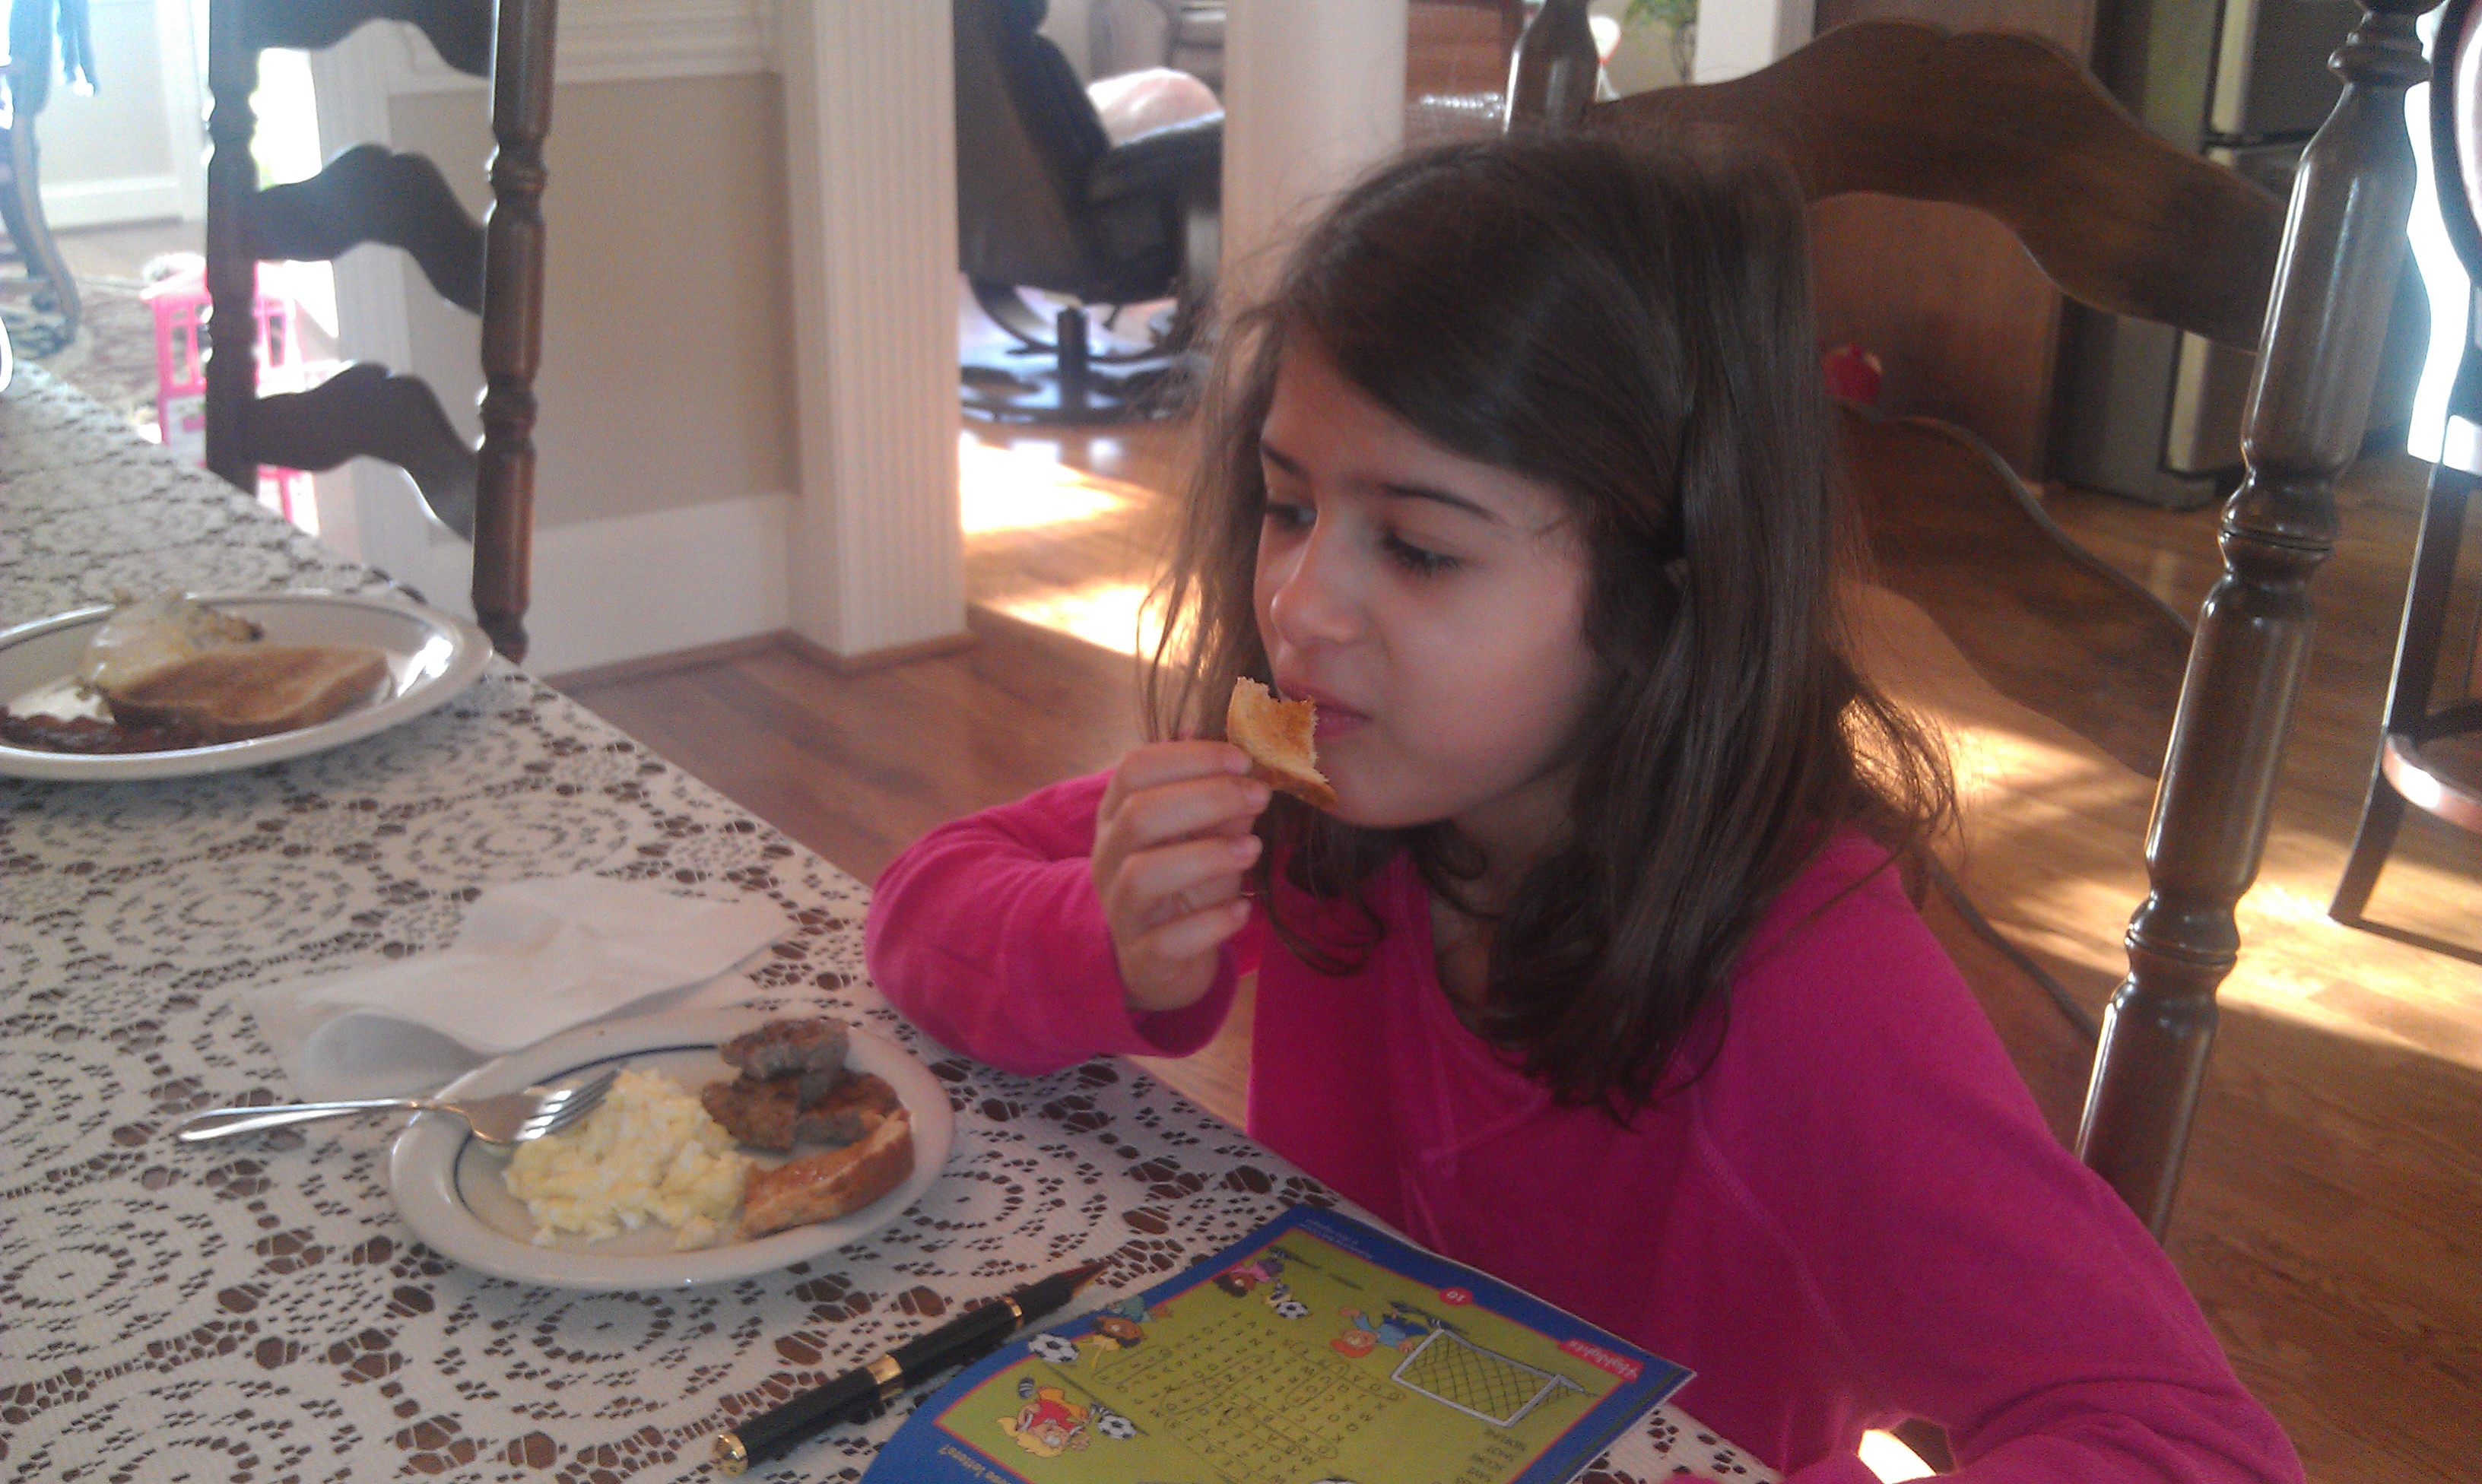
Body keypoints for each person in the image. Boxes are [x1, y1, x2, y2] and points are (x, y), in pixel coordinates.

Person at [868, 133, 2301, 1482]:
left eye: (1419, 548)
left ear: (1657, 596)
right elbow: (922, 902)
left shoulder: (1806, 980)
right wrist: (1106, 933)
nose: (1298, 605)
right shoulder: (1320, 803)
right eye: (1289, 507)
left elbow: (2186, 1443)